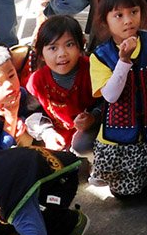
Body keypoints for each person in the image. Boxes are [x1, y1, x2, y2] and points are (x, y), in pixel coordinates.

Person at [88, 0, 147, 199]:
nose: (128, 21)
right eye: (118, 15)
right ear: (105, 20)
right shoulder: (100, 56)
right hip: (121, 136)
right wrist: (124, 61)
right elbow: (110, 95)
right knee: (127, 194)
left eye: (133, 12)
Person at [25, 16, 96, 155]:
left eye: (69, 44)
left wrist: (93, 117)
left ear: (81, 45)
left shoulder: (92, 70)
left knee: (82, 146)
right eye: (53, 48)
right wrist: (47, 133)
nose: (62, 54)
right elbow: (32, 112)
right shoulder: (37, 81)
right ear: (40, 54)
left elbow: (107, 102)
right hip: (56, 137)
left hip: (90, 132)